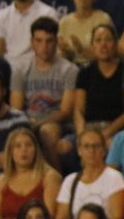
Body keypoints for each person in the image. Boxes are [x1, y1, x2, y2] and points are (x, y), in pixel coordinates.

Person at [9, 18, 77, 168]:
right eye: (39, 41)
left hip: (59, 124)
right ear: (32, 42)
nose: (44, 47)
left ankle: (55, 179)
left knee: (48, 131)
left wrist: (38, 123)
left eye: (49, 41)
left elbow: (65, 111)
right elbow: (16, 107)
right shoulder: (20, 69)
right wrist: (27, 123)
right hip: (27, 122)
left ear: (56, 42)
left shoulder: (69, 70)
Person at [0, 127, 61, 219]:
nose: (24, 150)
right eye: (18, 146)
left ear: (36, 150)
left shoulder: (50, 178)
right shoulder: (0, 181)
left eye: (28, 145)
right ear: (10, 152)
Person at [56, 130, 124, 219]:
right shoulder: (70, 181)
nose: (91, 151)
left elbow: (116, 218)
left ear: (104, 150)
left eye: (96, 146)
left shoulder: (114, 177)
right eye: (86, 146)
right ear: (79, 150)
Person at [73, 25, 124, 144]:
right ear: (92, 46)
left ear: (116, 44)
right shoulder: (85, 72)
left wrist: (106, 133)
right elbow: (79, 110)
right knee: (65, 146)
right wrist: (82, 135)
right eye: (98, 40)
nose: (103, 44)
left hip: (117, 129)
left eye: (108, 40)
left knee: (110, 144)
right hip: (90, 128)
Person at [55, 0, 113, 68]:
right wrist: (67, 52)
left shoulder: (103, 19)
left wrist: (81, 50)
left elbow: (110, 54)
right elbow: (60, 58)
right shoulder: (64, 22)